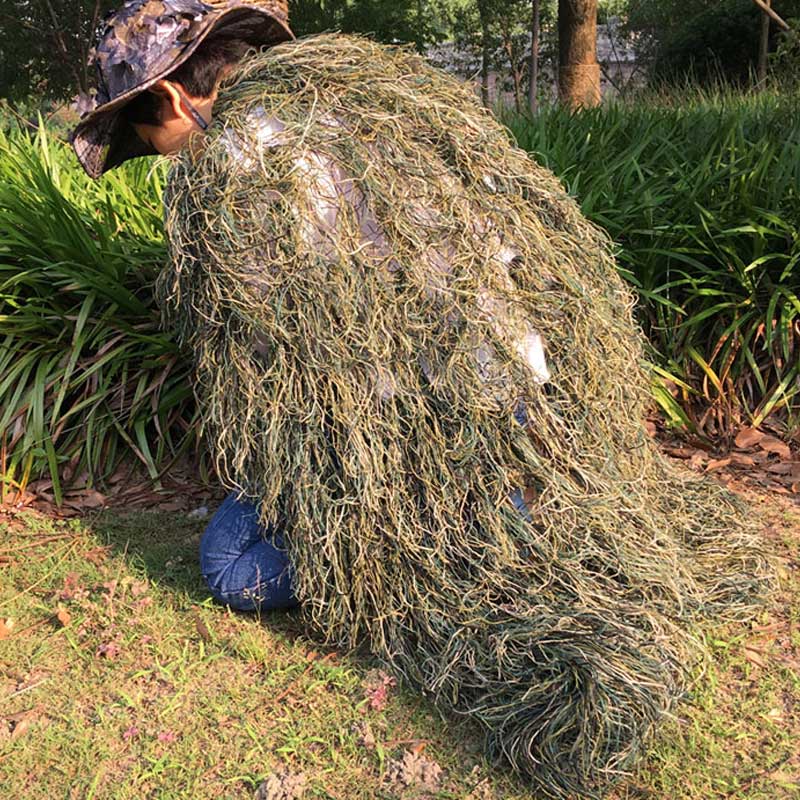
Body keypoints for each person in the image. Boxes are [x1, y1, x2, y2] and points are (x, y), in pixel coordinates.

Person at [71, 0, 545, 614]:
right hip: (486, 377)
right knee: (250, 532)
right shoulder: (331, 103)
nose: (160, 154)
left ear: (172, 96)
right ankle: (462, 524)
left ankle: (432, 540)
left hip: (434, 401)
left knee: (231, 570)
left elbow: (314, 338)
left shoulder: (244, 169)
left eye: (145, 133)